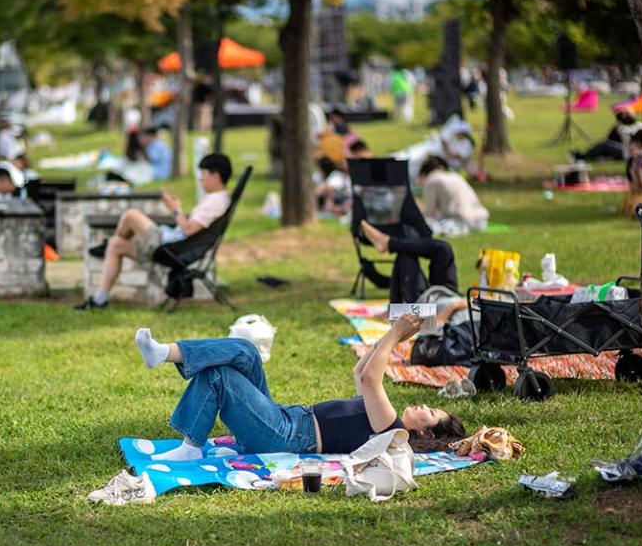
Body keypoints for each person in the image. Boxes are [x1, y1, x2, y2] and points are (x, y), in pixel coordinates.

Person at [131, 314, 466, 461]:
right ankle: (165, 352)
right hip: (284, 419)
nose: (423, 407)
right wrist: (397, 333)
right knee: (246, 351)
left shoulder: (392, 432)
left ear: (423, 434)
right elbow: (360, 368)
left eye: (430, 413)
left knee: (221, 376)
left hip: (283, 436)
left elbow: (370, 379)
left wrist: (394, 337)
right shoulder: (383, 419)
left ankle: (191, 446)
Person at [75, 153, 233, 310]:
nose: (200, 179)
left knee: (131, 215)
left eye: (203, 174)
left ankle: (109, 242)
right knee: (116, 245)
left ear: (216, 176)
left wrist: (175, 209)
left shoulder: (216, 201)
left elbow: (189, 229)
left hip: (171, 247)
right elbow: (191, 228)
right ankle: (100, 299)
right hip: (172, 243)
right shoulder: (218, 199)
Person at [359, 218, 458, 304]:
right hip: (445, 296)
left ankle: (388, 243)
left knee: (407, 254)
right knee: (443, 248)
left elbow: (440, 320)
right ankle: (388, 243)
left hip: (432, 307)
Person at [417, 156, 489, 236]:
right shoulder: (455, 176)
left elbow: (429, 210)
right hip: (481, 221)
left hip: (461, 221)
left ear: (423, 174)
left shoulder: (431, 180)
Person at [573, 106, 642, 162]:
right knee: (607, 146)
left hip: (627, 154)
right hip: (633, 152)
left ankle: (583, 156)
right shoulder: (641, 125)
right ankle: (589, 156)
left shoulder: (621, 127)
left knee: (604, 145)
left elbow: (609, 139)